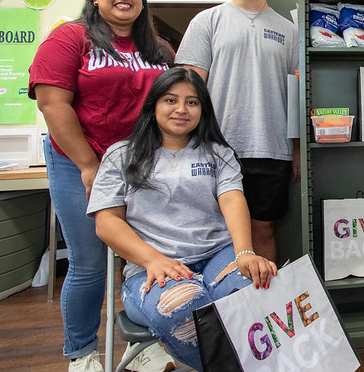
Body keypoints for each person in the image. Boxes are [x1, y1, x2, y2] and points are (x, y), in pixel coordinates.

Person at [28, 0, 176, 372]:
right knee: (90, 261)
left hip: (142, 166)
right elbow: (52, 104)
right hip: (79, 162)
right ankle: (81, 353)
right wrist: (89, 165)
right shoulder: (69, 38)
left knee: (144, 257)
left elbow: (175, 105)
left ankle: (141, 346)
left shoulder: (159, 50)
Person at [88, 67, 277, 371]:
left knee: (252, 290)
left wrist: (245, 252)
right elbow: (107, 222)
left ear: (203, 110)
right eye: (170, 100)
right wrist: (152, 260)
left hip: (217, 255)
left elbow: (232, 199)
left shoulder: (218, 154)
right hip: (151, 270)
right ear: (153, 107)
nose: (181, 109)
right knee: (185, 305)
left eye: (192, 102)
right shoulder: (120, 156)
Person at [176, 0, 299, 263]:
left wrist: (298, 147)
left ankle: (262, 308)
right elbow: (188, 90)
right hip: (216, 147)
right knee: (216, 235)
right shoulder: (207, 21)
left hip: (271, 149)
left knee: (263, 231)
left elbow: (298, 94)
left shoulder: (289, 31)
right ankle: (217, 311)